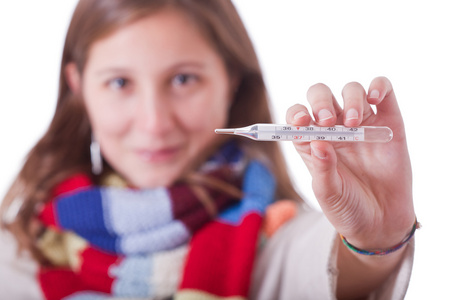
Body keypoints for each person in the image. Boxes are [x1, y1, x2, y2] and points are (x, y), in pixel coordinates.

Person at [0, 0, 416, 299]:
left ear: (230, 81)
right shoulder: (18, 253)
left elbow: (324, 272)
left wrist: (375, 243)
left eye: (183, 80)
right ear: (78, 87)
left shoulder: (273, 237)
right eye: (120, 83)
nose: (155, 122)